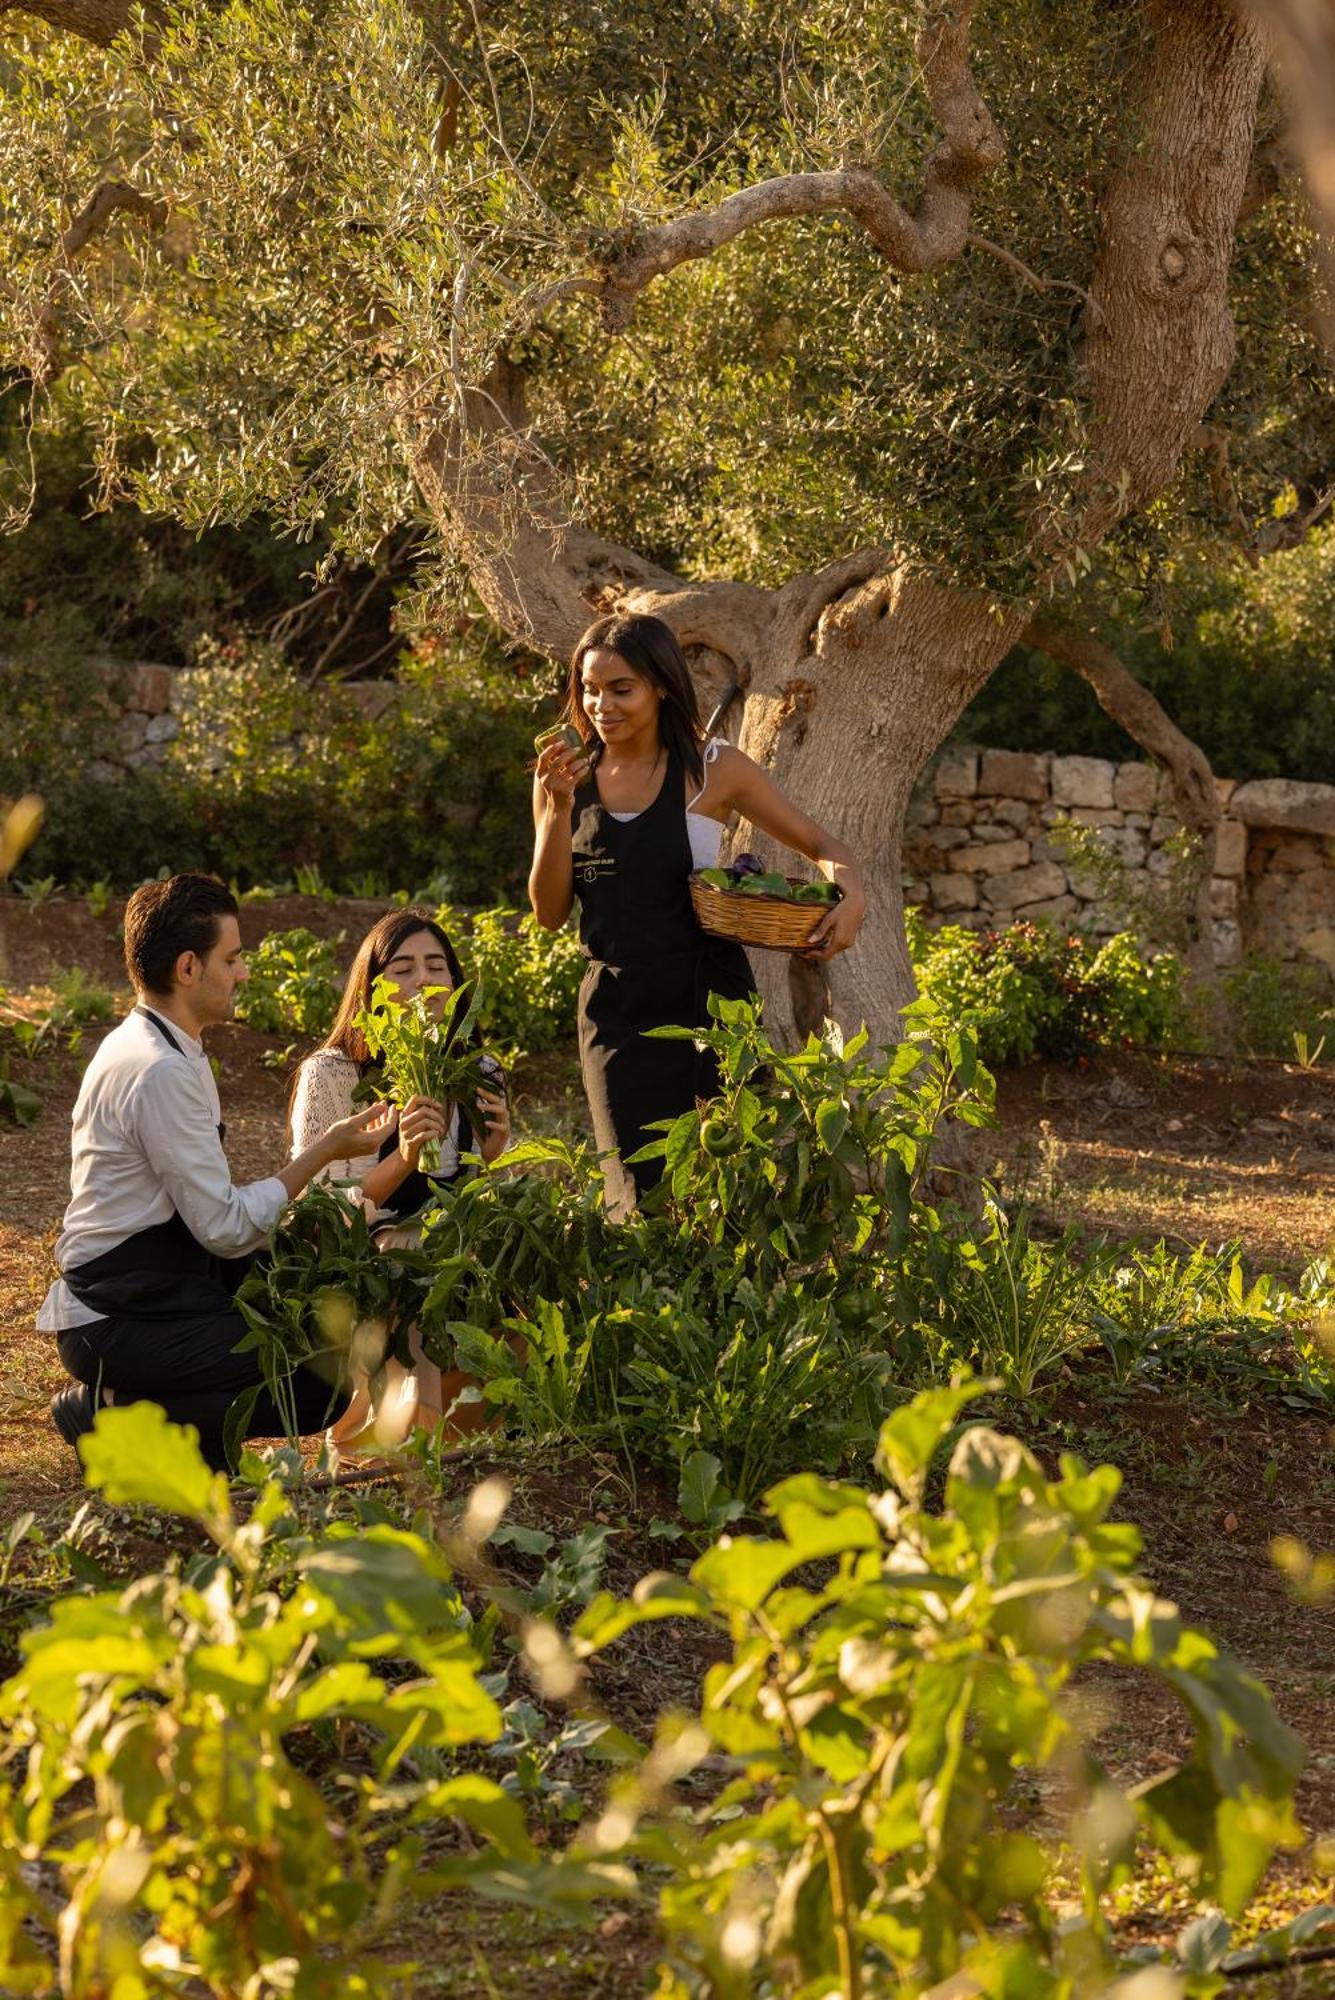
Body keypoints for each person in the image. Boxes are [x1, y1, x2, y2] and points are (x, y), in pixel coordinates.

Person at [39, 874, 391, 1470]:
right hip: (120, 1315)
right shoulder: (159, 1070)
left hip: (152, 1291)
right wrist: (325, 1151)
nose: (243, 972)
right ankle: (111, 1415)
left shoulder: (159, 1043)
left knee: (311, 1347)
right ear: (187, 968)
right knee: (319, 1377)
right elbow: (224, 1229)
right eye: (231, 958)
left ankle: (183, 1443)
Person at [529, 612, 866, 1211]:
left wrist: (852, 895)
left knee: (730, 1188)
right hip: (617, 1011)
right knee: (636, 1196)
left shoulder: (714, 768)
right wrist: (556, 811)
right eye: (589, 688)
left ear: (661, 685)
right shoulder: (564, 778)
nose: (600, 705)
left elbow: (823, 848)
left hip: (710, 1005)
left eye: (620, 688)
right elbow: (550, 912)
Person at [288, 909, 510, 1450]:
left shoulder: (477, 1069)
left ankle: (480, 1421)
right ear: (372, 986)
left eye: (437, 965)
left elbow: (476, 1188)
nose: (425, 979)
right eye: (403, 968)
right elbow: (320, 1211)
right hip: (363, 1243)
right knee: (413, 1252)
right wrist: (404, 1159)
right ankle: (414, 1429)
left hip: (450, 1230)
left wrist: (494, 1155)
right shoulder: (334, 1072)